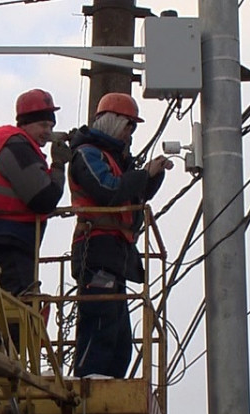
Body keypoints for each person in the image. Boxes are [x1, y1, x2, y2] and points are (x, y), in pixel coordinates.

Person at [68, 92, 173, 378]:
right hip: (97, 248)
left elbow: (131, 195)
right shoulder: (87, 154)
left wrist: (152, 176)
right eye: (129, 126)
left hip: (114, 253)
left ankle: (108, 381)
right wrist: (144, 174)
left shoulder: (114, 159)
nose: (131, 134)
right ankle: (89, 381)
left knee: (119, 340)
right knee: (101, 327)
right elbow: (109, 190)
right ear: (115, 123)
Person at [0, 89, 72, 296]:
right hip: (5, 241)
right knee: (17, 311)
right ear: (25, 123)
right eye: (43, 125)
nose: (48, 132)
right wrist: (57, 164)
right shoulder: (16, 145)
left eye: (51, 126)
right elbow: (44, 198)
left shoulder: (3, 142)